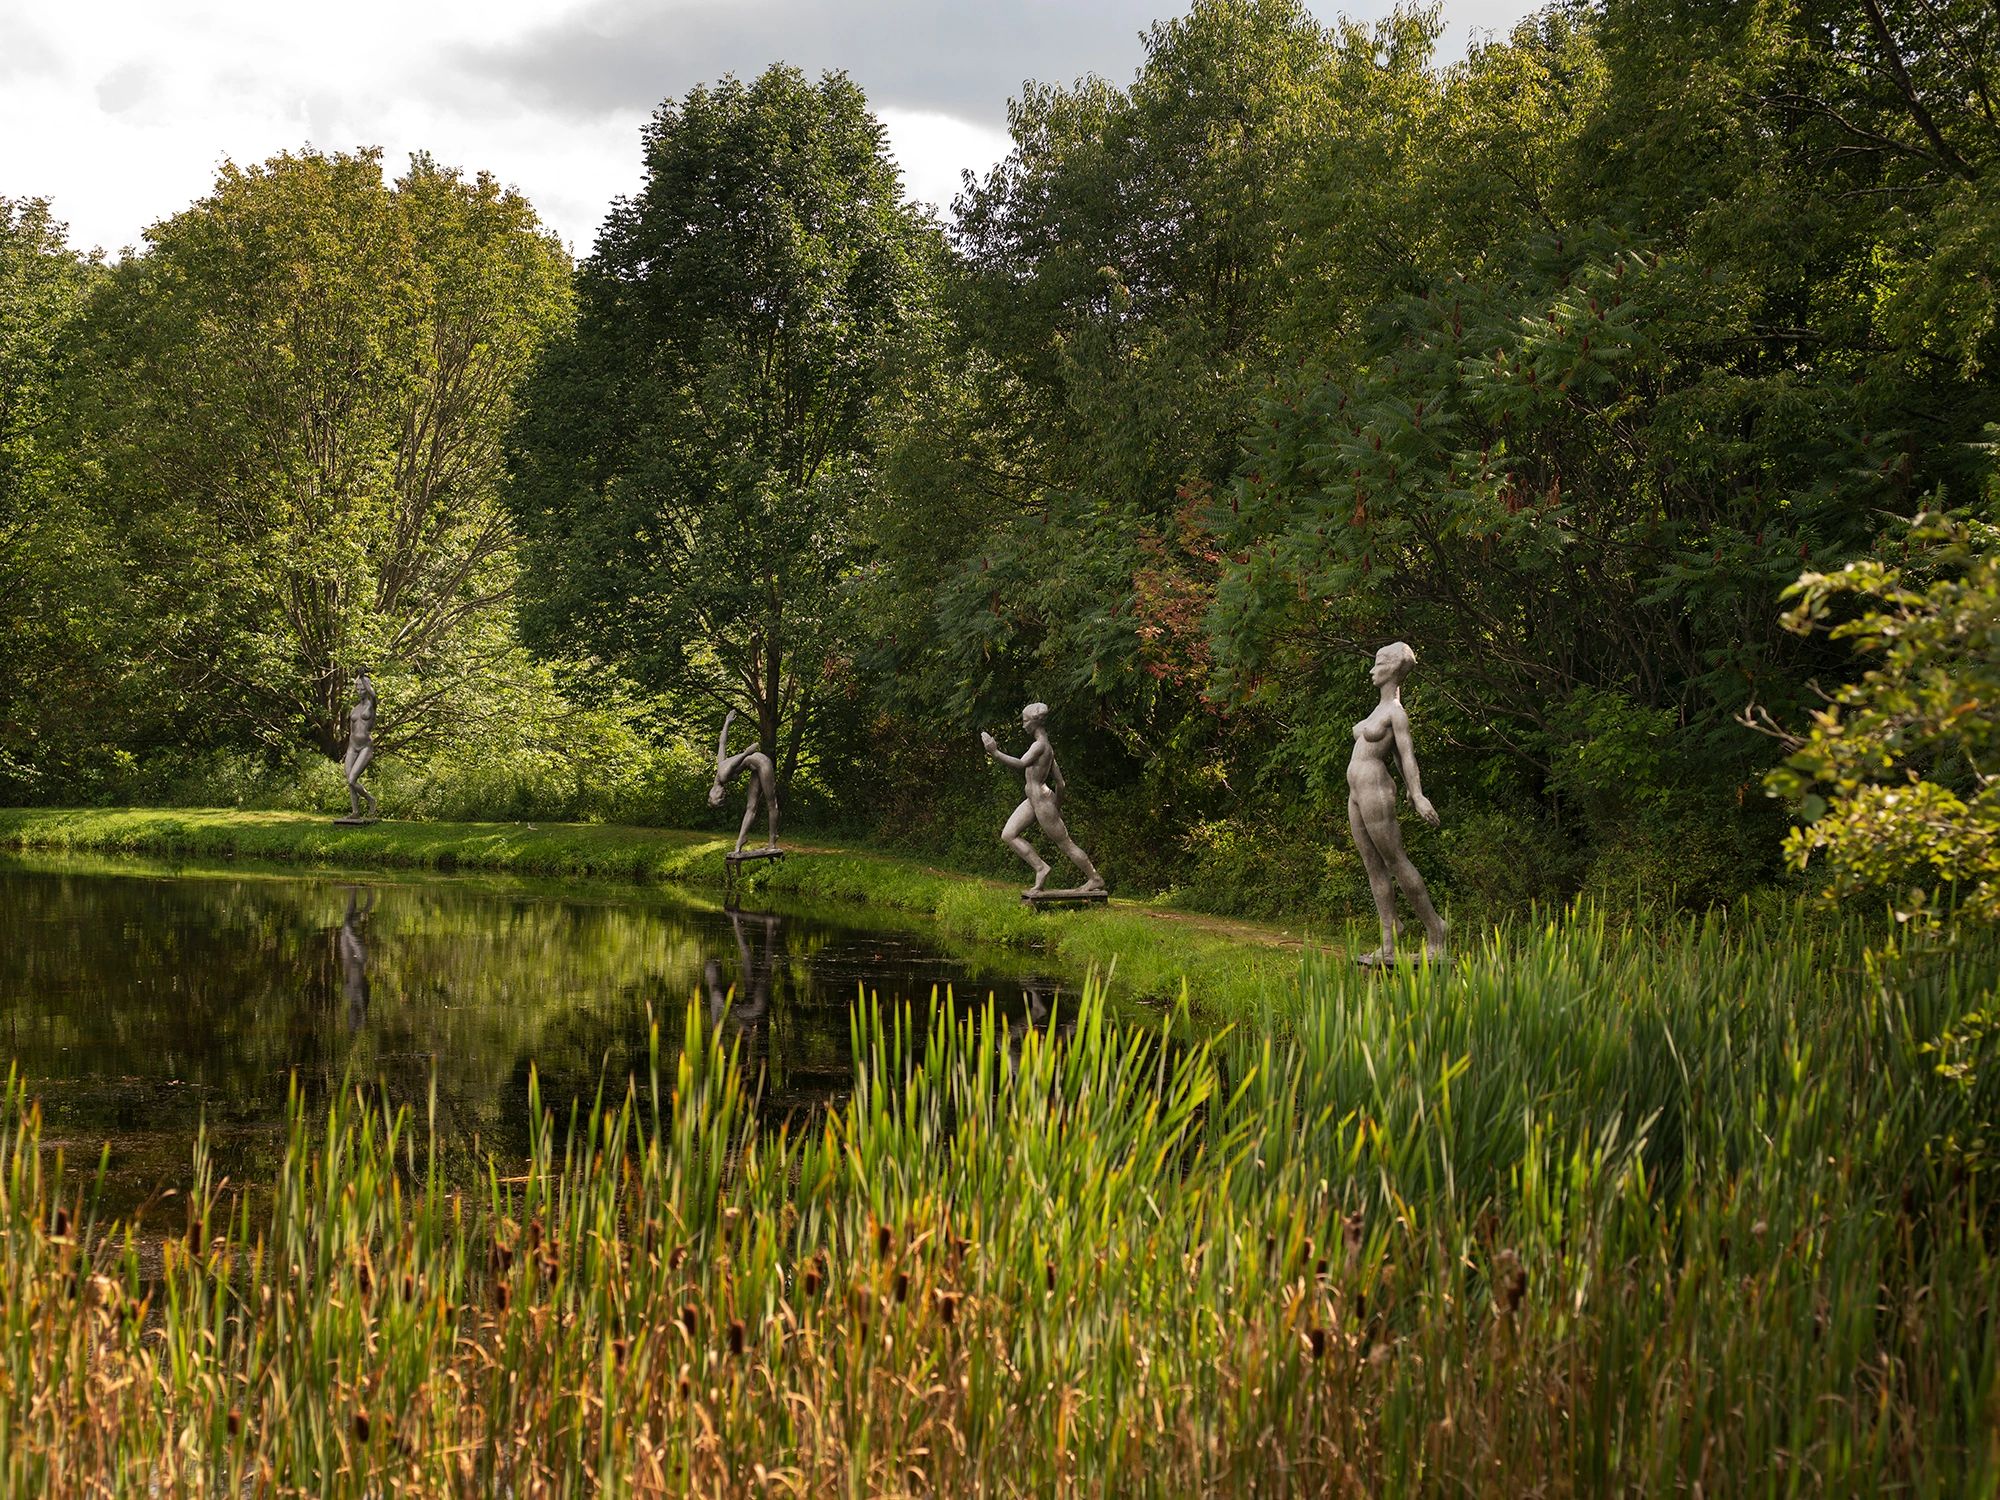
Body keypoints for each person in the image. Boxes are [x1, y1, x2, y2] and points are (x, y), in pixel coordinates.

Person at [1346, 641, 1447, 965]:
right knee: (1373, 866)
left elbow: (1407, 756)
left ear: (1392, 669)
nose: (1372, 670)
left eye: (1378, 664)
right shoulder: (1377, 711)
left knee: (1396, 861)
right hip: (1356, 793)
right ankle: (1389, 938)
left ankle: (1436, 929)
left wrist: (1416, 794)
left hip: (1375, 787)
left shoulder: (1395, 713)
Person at [981, 702, 1106, 895]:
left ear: (1034, 722)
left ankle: (1095, 878)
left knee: (1066, 844)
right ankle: (1041, 868)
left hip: (1041, 802)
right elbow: (1061, 783)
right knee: (1008, 834)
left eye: (1024, 721)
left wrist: (995, 752)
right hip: (1035, 800)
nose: (1023, 725)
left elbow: (1021, 763)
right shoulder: (1048, 747)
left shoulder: (1040, 746)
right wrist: (1057, 804)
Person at [709, 709, 779, 854]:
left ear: (715, 793)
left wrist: (747, 752)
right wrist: (727, 723)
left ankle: (772, 841)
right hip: (754, 768)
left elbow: (737, 761)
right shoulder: (719, 769)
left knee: (771, 803)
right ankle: (741, 840)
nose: (725, 794)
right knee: (750, 806)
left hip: (762, 763)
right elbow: (722, 744)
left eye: (722, 797)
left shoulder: (723, 775)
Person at [342, 670, 380, 821]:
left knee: (352, 779)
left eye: (362, 687)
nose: (359, 691)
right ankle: (355, 812)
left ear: (368, 687)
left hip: (365, 747)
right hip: (352, 747)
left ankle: (370, 799)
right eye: (357, 687)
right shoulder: (355, 708)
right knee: (350, 781)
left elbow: (374, 695)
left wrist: (363, 677)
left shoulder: (371, 706)